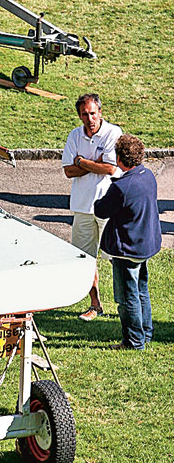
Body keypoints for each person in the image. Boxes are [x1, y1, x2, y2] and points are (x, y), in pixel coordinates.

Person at [94, 135, 161, 350]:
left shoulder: (122, 186)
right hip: (145, 243)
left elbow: (101, 209)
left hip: (127, 247)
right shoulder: (147, 175)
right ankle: (145, 333)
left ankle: (133, 341)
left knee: (127, 297)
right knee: (141, 290)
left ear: (120, 157)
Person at [62, 93, 122, 321]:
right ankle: (95, 305)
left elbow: (109, 168)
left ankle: (123, 304)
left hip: (107, 205)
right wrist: (93, 164)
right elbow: (68, 171)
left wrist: (81, 162)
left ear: (100, 112)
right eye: (85, 114)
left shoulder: (113, 133)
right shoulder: (74, 135)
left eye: (93, 113)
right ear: (79, 115)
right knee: (85, 258)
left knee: (116, 256)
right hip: (82, 206)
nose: (90, 119)